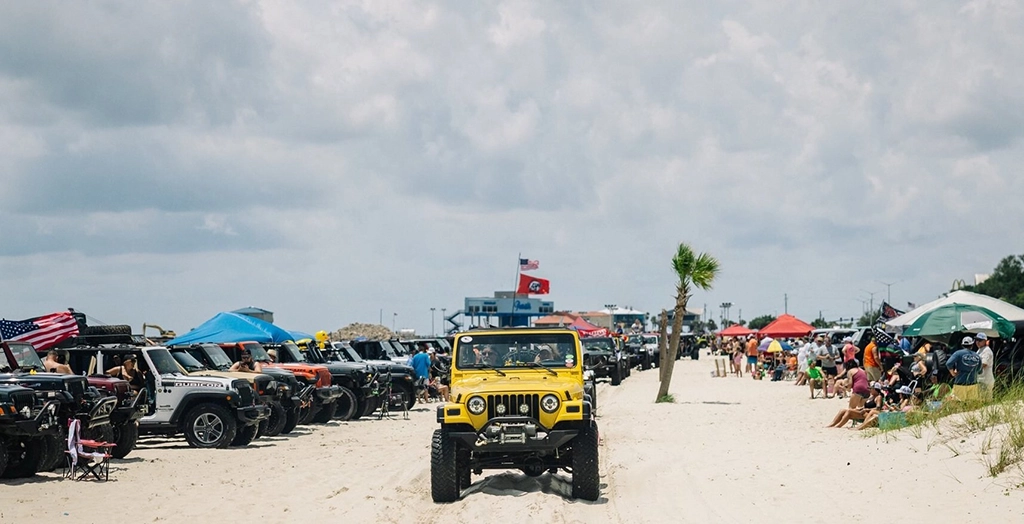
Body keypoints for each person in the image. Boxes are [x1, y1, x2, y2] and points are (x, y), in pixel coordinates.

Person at [945, 336, 982, 401]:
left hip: (960, 383)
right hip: (973, 383)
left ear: (962, 345)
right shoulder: (977, 355)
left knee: (958, 402)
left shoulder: (958, 353)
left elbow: (948, 363)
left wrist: (953, 373)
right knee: (971, 403)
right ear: (972, 345)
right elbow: (980, 370)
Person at [975, 333, 995, 402]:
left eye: (980, 340)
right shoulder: (979, 350)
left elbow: (983, 364)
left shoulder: (987, 351)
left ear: (985, 341)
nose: (977, 342)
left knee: (986, 401)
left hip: (985, 380)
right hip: (980, 379)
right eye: (976, 340)